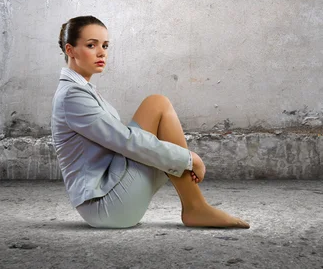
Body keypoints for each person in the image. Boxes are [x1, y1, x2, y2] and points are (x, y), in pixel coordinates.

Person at [51, 15, 250, 229]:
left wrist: (182, 159)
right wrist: (189, 159)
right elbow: (124, 140)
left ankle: (195, 206)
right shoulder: (72, 96)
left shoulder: (80, 90)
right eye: (91, 45)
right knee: (156, 105)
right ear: (70, 50)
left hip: (110, 197)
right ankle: (195, 206)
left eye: (105, 45)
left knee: (157, 108)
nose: (102, 53)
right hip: (105, 206)